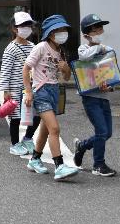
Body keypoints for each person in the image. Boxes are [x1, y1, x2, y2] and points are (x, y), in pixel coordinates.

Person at [23, 15, 80, 181]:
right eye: (59, 30)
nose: (63, 33)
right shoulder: (41, 47)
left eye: (64, 30)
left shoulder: (62, 51)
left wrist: (66, 68)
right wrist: (28, 92)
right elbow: (26, 69)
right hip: (41, 92)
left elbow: (67, 77)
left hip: (55, 91)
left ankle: (34, 160)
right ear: (50, 33)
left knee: (46, 129)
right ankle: (59, 166)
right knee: (54, 129)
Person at [73, 14, 117, 177]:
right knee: (101, 131)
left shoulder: (107, 50)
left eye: (101, 28)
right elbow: (84, 57)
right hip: (90, 98)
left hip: (103, 97)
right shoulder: (83, 49)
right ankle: (99, 165)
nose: (100, 31)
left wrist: (110, 87)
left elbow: (111, 73)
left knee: (107, 133)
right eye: (96, 29)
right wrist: (100, 48)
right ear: (86, 34)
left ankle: (82, 146)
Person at [0, 11, 42, 155]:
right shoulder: (10, 48)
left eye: (29, 25)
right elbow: (5, 71)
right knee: (15, 117)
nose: (26, 28)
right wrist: (5, 91)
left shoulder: (33, 46)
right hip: (15, 89)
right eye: (22, 25)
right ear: (14, 29)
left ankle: (28, 138)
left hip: (30, 87)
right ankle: (15, 144)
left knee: (36, 114)